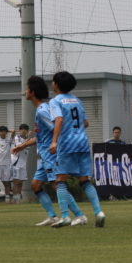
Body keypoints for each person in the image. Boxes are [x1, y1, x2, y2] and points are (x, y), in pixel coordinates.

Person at [12, 75, 85, 226]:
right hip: (45, 156)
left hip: (51, 155)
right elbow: (41, 137)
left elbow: (56, 129)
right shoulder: (41, 109)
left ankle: (79, 215)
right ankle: (53, 216)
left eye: (27, 89)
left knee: (56, 185)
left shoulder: (43, 110)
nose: (25, 92)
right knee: (35, 185)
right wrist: (23, 145)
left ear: (32, 92)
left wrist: (56, 145)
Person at [49, 71, 106, 228]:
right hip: (82, 142)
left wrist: (54, 141)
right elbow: (85, 123)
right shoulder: (77, 100)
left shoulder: (55, 101)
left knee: (60, 179)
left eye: (53, 81)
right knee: (84, 180)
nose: (52, 84)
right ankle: (99, 212)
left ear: (57, 84)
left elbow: (59, 119)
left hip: (66, 144)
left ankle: (65, 216)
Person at [10, 123, 30, 203]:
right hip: (16, 163)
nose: (23, 131)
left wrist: (28, 140)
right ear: (19, 130)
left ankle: (18, 198)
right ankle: (15, 199)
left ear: (27, 131)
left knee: (21, 182)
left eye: (25, 129)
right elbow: (20, 147)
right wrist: (28, 140)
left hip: (23, 163)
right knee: (16, 182)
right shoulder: (17, 137)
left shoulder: (28, 139)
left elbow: (25, 147)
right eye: (22, 129)